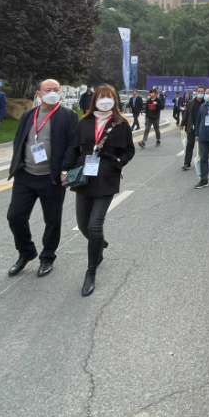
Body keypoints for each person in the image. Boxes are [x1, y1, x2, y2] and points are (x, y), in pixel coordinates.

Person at [5, 79, 80, 278]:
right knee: (15, 216)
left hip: (51, 178)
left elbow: (73, 145)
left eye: (56, 89)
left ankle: (47, 257)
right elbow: (19, 140)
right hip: (25, 175)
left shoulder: (68, 116)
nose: (53, 92)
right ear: (38, 93)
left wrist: (65, 169)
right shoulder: (29, 115)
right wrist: (17, 164)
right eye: (48, 90)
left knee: (52, 220)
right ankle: (26, 252)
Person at [72, 85, 135, 296]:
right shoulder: (84, 122)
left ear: (114, 100)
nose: (105, 100)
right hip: (85, 178)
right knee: (83, 225)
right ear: (94, 100)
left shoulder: (121, 124)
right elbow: (74, 149)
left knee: (95, 224)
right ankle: (99, 244)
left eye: (109, 97)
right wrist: (66, 170)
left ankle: (91, 270)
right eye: (101, 97)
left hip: (107, 178)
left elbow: (129, 150)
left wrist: (118, 162)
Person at [181, 88, 206, 171]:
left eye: (202, 91)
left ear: (204, 93)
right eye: (199, 91)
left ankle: (203, 162)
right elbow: (186, 113)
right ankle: (187, 163)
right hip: (192, 126)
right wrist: (182, 124)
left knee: (203, 146)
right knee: (190, 145)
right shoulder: (191, 102)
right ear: (196, 92)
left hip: (203, 127)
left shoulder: (206, 103)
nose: (200, 93)